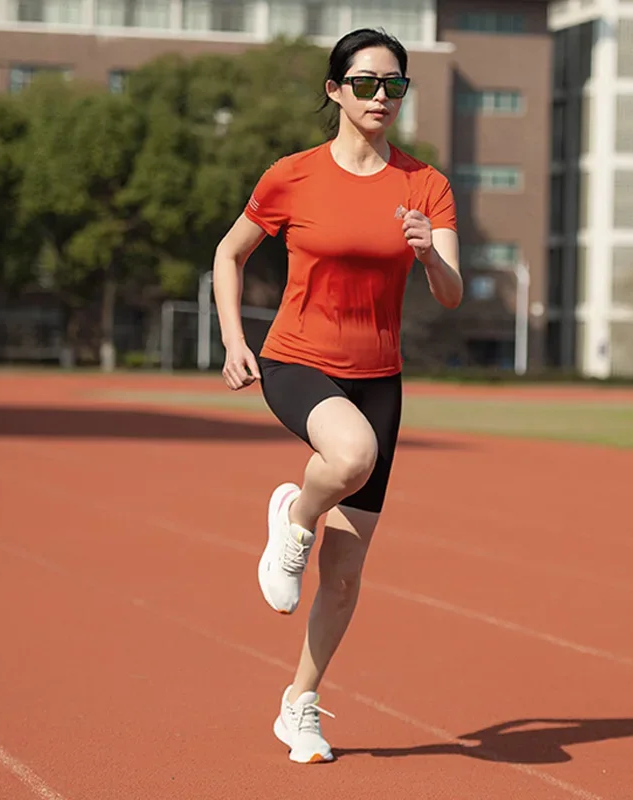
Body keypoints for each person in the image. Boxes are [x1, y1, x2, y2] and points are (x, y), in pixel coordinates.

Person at [212, 27, 462, 764]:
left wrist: (427, 253)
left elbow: (450, 294)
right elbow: (230, 254)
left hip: (378, 375)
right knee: (351, 452)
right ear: (335, 90)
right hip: (296, 361)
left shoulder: (425, 185)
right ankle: (296, 514)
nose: (381, 96)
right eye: (365, 83)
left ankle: (300, 704)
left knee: (345, 577)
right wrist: (233, 340)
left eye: (394, 85)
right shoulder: (293, 175)